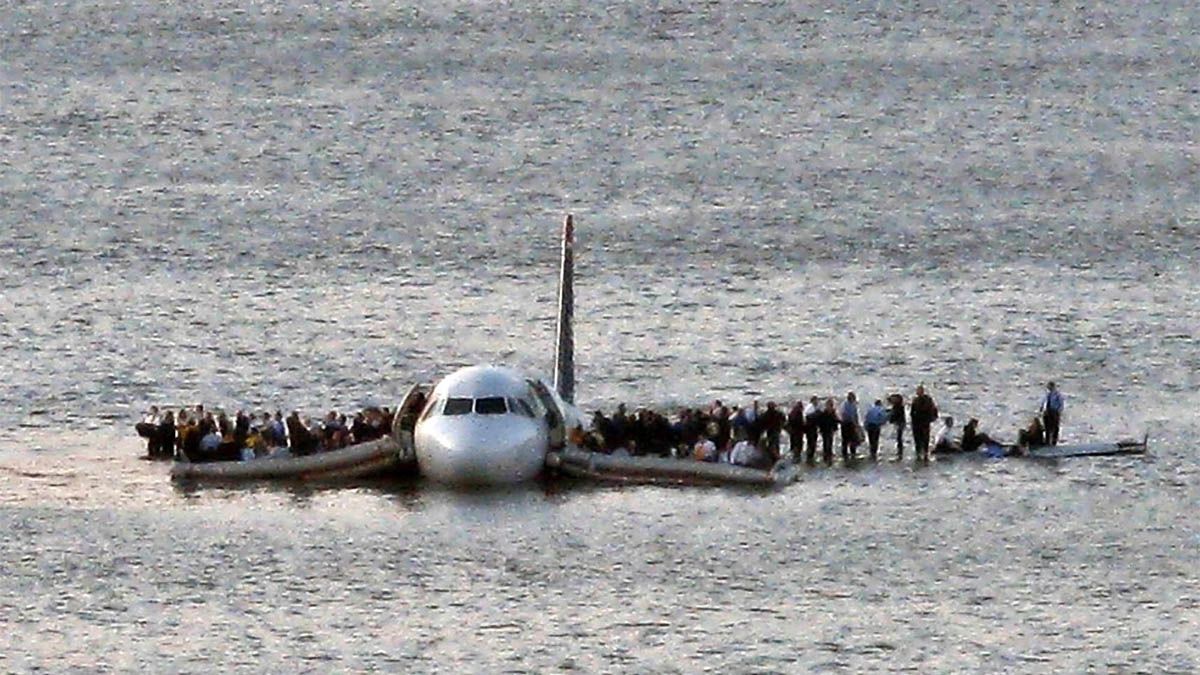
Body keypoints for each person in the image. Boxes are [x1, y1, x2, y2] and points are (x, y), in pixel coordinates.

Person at [910, 385, 939, 461]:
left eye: (919, 391)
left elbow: (934, 409)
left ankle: (925, 453)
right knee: (917, 439)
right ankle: (918, 454)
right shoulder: (915, 400)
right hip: (917, 422)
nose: (918, 393)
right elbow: (912, 412)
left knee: (925, 438)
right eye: (917, 391)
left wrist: (933, 418)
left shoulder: (928, 400)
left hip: (925, 422)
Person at [816, 398, 840, 465]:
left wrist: (837, 426)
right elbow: (819, 422)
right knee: (825, 443)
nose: (830, 407)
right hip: (824, 430)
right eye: (828, 405)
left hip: (831, 430)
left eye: (831, 405)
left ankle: (829, 456)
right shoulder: (823, 413)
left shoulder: (833, 413)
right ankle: (826, 456)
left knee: (830, 443)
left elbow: (836, 420)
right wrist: (820, 429)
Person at [1040, 381, 1064, 446]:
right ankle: (1047, 441)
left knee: (1055, 427)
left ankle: (1054, 441)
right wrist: (1041, 409)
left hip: (1054, 411)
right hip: (1047, 412)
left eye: (1049, 386)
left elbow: (1061, 404)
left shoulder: (1058, 395)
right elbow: (1043, 402)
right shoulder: (1047, 394)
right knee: (1047, 427)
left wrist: (1058, 411)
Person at [839, 392, 861, 462]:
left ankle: (851, 453)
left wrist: (857, 424)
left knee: (851, 440)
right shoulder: (845, 405)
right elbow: (847, 415)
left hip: (849, 423)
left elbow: (855, 415)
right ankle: (846, 454)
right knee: (846, 440)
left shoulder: (851, 404)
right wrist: (856, 424)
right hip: (846, 424)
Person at [888, 393, 906, 460]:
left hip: (899, 423)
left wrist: (891, 419)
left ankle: (900, 452)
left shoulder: (898, 407)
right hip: (900, 423)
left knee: (899, 437)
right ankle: (899, 451)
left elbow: (895, 415)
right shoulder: (899, 406)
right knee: (899, 437)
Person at [803, 396, 821, 465]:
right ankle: (809, 458)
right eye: (815, 401)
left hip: (813, 428)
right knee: (811, 443)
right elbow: (808, 417)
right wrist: (817, 414)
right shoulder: (810, 407)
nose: (816, 402)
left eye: (817, 401)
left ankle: (810, 457)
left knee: (812, 443)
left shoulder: (815, 407)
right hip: (810, 429)